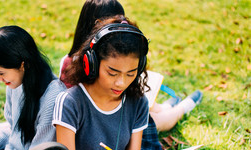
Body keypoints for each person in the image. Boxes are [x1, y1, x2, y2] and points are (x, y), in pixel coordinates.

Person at [53, 16, 173, 150]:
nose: (121, 82)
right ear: (91, 63)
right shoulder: (70, 102)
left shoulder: (138, 103)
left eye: (131, 74)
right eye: (112, 72)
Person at [59, 0, 203, 132]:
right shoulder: (76, 64)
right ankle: (183, 107)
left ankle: (166, 106)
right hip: (107, 123)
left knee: (145, 106)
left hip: (124, 107)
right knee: (158, 120)